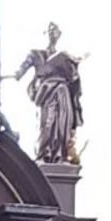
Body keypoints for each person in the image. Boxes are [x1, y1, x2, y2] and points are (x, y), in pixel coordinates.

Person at [14, 22, 83, 162]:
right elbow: (24, 66)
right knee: (47, 123)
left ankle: (59, 154)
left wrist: (73, 67)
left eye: (55, 31)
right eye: (50, 30)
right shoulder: (36, 53)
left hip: (62, 92)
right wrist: (18, 72)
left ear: (59, 35)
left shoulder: (64, 57)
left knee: (62, 122)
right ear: (44, 33)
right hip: (45, 92)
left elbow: (73, 77)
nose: (52, 34)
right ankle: (43, 152)